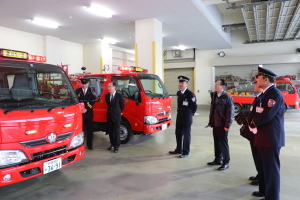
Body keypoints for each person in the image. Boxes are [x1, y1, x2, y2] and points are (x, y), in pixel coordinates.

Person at [246, 66, 285, 200]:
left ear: (266, 79)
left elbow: (267, 115)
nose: (256, 80)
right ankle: (264, 191)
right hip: (262, 137)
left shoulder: (274, 94)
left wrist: (252, 123)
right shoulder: (264, 94)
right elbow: (256, 111)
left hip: (271, 138)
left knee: (271, 170)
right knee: (263, 169)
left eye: (258, 77)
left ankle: (272, 197)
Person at [235, 82, 263, 186]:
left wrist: (249, 122)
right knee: (256, 155)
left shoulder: (262, 99)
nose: (254, 86)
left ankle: (262, 177)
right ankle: (259, 174)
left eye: (256, 84)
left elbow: (260, 116)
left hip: (258, 133)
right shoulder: (258, 98)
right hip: (253, 133)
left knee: (260, 156)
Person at [207, 79, 234, 170]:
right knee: (216, 142)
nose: (215, 85)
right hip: (215, 123)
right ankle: (218, 159)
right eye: (215, 84)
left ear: (222, 87)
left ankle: (226, 162)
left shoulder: (227, 98)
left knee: (223, 144)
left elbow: (230, 113)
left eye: (217, 84)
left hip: (222, 125)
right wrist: (211, 122)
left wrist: (227, 125)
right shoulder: (214, 96)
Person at [169, 75, 197, 158]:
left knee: (186, 135)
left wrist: (190, 114)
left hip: (186, 118)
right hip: (179, 117)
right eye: (179, 82)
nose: (180, 84)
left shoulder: (190, 94)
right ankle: (178, 149)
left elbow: (194, 106)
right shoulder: (179, 93)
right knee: (178, 133)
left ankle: (185, 152)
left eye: (182, 82)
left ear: (186, 83)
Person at [75, 78, 98, 150]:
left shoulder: (92, 91)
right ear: (81, 84)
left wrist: (86, 109)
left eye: (85, 84)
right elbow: (75, 101)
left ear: (88, 84)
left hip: (88, 113)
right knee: (79, 130)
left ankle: (89, 145)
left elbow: (93, 102)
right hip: (80, 113)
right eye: (83, 84)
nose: (84, 85)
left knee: (89, 130)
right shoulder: (77, 91)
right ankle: (79, 145)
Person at [105, 82, 125, 153]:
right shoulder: (107, 96)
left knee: (116, 131)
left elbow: (122, 106)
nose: (108, 88)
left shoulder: (119, 96)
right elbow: (108, 105)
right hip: (109, 115)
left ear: (114, 87)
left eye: (110, 86)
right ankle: (112, 144)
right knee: (110, 131)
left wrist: (118, 112)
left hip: (116, 116)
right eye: (108, 87)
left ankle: (117, 146)